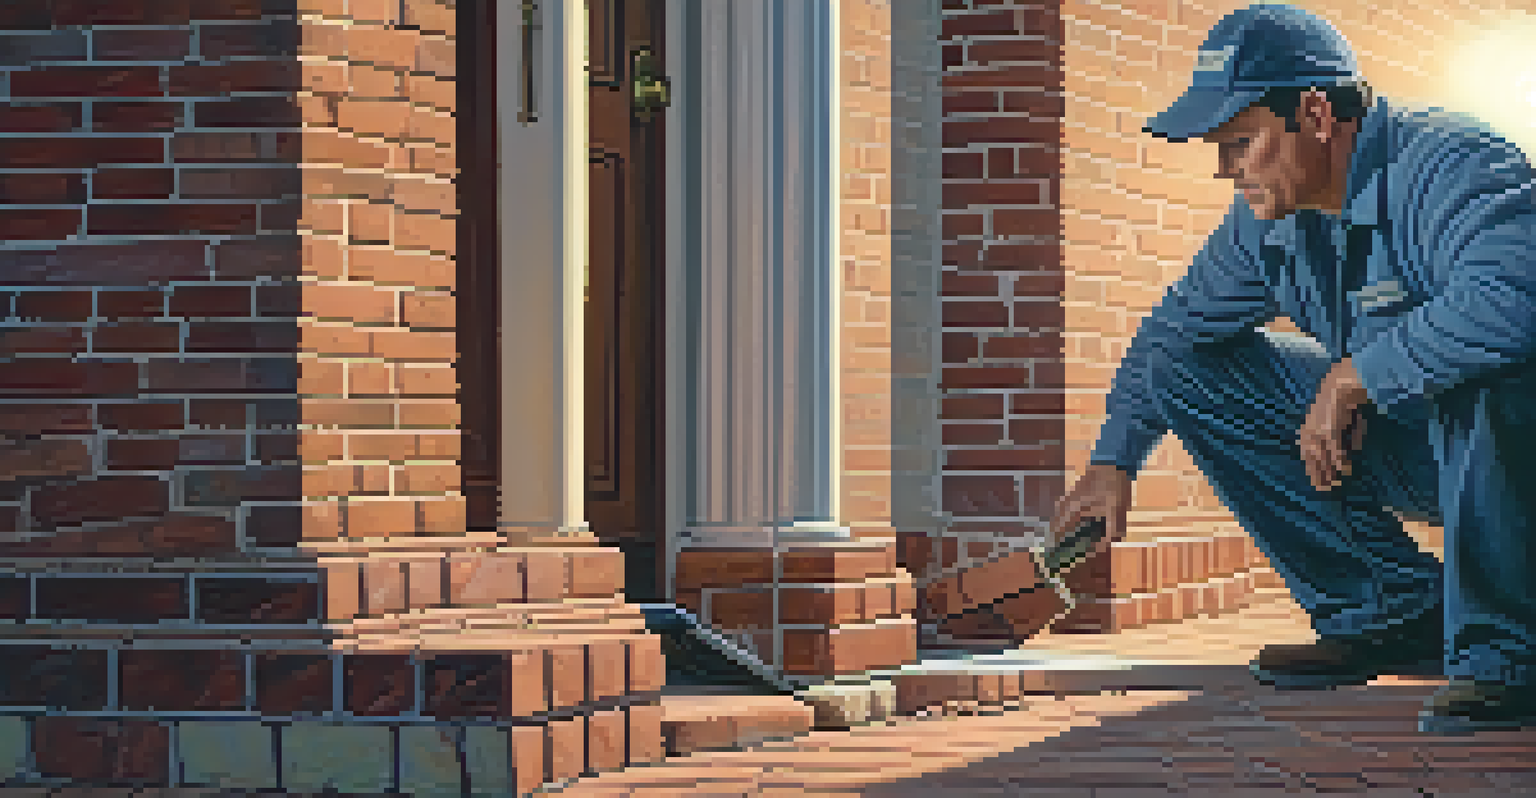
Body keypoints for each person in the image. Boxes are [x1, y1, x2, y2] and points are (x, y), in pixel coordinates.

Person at [1049, 2, 1536, 735]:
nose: (1224, 169)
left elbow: (1514, 302)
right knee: (1187, 366)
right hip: (1429, 452)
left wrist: (1352, 377)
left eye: (1240, 143)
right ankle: (1388, 614)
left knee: (1488, 365)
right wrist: (1112, 461)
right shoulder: (1267, 222)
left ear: (1313, 113)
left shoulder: (1452, 162)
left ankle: (1508, 656)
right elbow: (1170, 334)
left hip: (1512, 457)